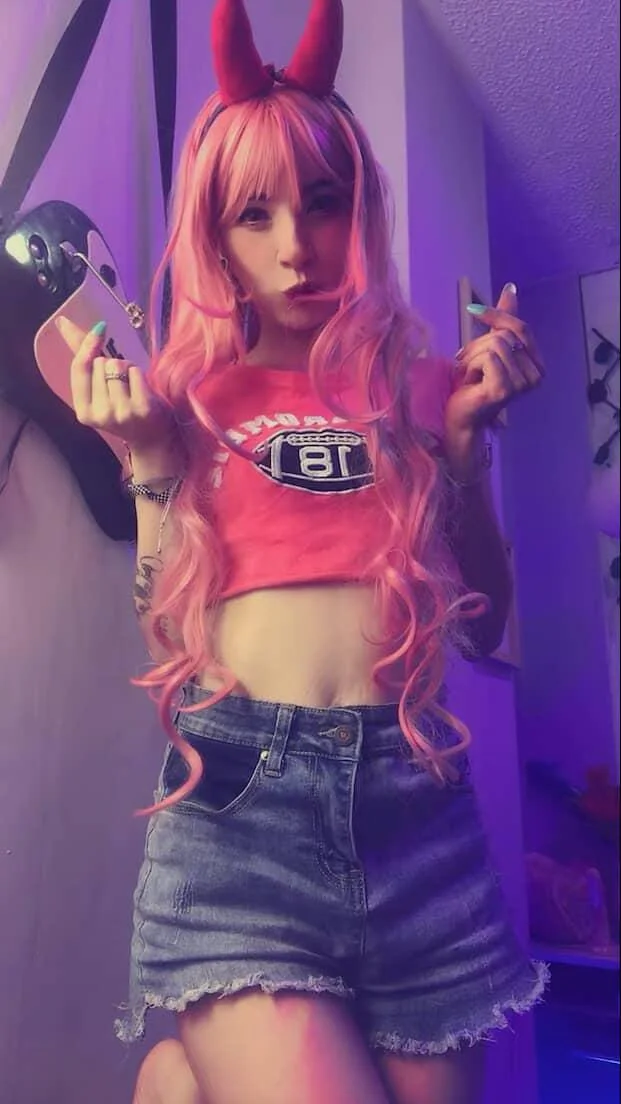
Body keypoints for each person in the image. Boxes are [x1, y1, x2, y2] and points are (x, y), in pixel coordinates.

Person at [57, 2, 548, 1101]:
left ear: (356, 207)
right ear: (216, 235)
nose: (295, 246)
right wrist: (150, 459)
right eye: (256, 214)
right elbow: (164, 629)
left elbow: (485, 624)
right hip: (244, 807)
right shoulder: (189, 398)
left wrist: (464, 455)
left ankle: (184, 1083)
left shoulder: (420, 386)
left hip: (417, 808)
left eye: (322, 202)